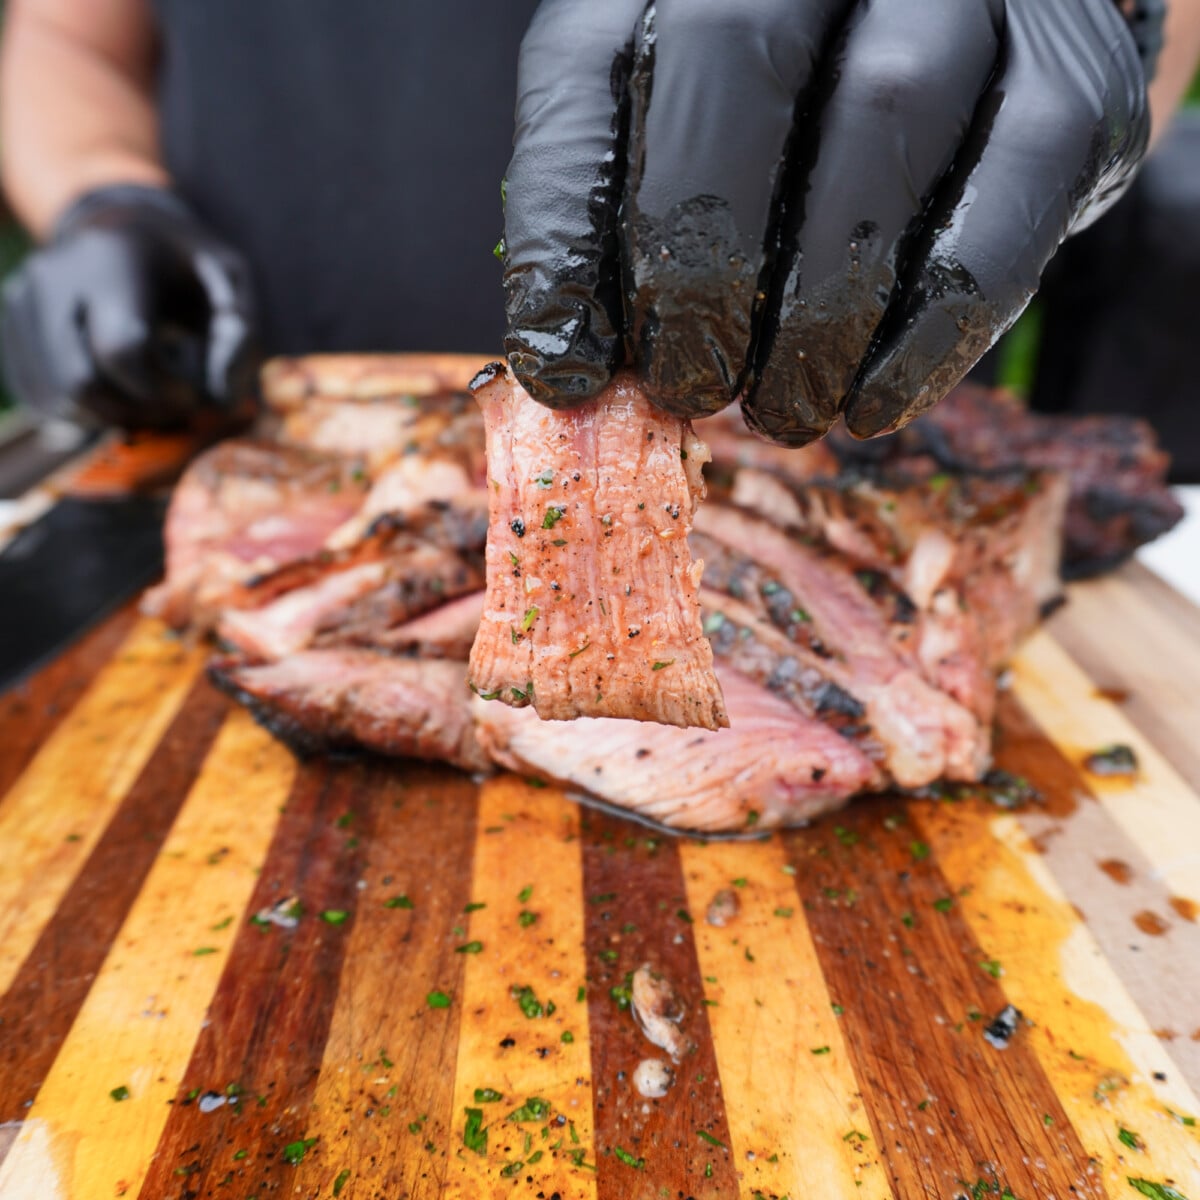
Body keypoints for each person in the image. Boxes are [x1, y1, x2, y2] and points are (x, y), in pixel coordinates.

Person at [1, 0, 1198, 441]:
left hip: (794, 430)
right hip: (267, 423)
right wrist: (103, 192)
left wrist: (1116, 20)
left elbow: (1146, 32)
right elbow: (62, 34)